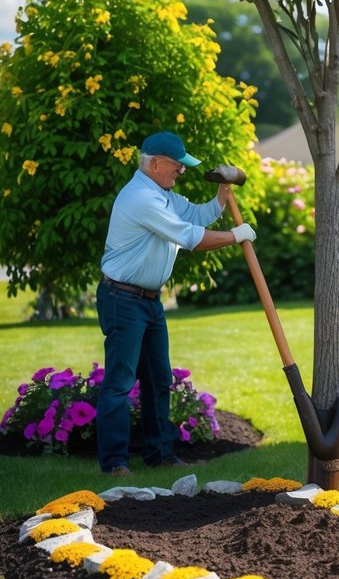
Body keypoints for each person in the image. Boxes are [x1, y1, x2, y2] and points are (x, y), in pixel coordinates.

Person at [95, 131, 256, 476]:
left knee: (158, 379)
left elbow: (199, 216)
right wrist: (235, 236)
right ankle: (114, 464)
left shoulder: (164, 194)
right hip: (122, 298)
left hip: (149, 302)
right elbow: (190, 238)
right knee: (121, 381)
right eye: (177, 165)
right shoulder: (142, 198)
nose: (181, 171)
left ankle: (160, 454)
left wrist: (223, 191)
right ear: (155, 164)